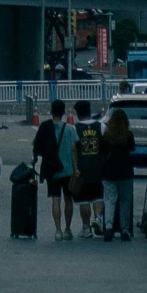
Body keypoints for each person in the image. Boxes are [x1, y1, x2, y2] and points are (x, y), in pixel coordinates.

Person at [31, 98, 77, 240]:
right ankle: (68, 229)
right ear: (63, 112)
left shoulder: (44, 127)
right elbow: (74, 149)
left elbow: (37, 147)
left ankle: (58, 230)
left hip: (52, 169)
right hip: (68, 170)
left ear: (51, 112)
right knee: (68, 199)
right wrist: (76, 168)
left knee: (55, 200)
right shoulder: (70, 129)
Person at [100, 105, 136, 241]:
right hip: (126, 171)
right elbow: (132, 148)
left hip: (109, 171)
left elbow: (103, 151)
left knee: (110, 200)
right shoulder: (128, 135)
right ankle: (125, 230)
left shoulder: (107, 136)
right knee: (125, 201)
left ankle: (108, 227)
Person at [72, 102, 106, 238]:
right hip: (99, 167)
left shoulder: (75, 128)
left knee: (84, 199)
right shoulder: (101, 126)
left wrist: (75, 168)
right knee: (98, 195)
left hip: (82, 168)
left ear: (78, 113)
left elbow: (73, 149)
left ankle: (86, 228)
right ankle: (97, 218)